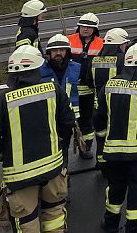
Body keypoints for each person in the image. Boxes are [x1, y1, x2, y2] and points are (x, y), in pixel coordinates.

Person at [0, 45, 74, 233]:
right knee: (54, 213)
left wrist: (4, 156)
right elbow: (67, 123)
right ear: (37, 68)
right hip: (53, 169)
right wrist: (58, 147)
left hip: (20, 177)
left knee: (26, 222)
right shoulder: (53, 90)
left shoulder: (2, 101)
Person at [94, 43, 137, 233]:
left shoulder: (109, 86)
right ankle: (133, 226)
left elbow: (98, 116)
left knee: (114, 187)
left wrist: (102, 138)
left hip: (112, 152)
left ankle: (110, 224)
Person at [91, 28, 130, 173]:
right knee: (117, 135)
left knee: (101, 135)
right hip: (116, 105)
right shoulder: (122, 60)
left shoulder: (94, 60)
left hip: (98, 105)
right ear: (120, 45)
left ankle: (101, 162)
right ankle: (117, 163)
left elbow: (89, 82)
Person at [67, 13, 103, 159]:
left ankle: (85, 148)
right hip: (70, 89)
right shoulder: (68, 40)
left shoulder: (101, 43)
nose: (85, 29)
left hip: (89, 89)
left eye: (89, 27)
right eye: (83, 26)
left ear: (95, 29)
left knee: (87, 120)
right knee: (67, 121)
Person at [40, 34, 81, 132]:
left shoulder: (77, 68)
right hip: (47, 117)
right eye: (54, 50)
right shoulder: (40, 70)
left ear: (67, 52)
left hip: (69, 117)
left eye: (61, 50)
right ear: (49, 52)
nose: (58, 53)